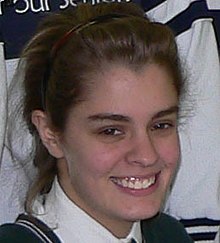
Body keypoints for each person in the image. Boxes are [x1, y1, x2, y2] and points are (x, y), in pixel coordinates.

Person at [0, 2, 193, 242]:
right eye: (111, 131)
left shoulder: (169, 235)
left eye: (160, 125)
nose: (147, 156)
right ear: (50, 134)